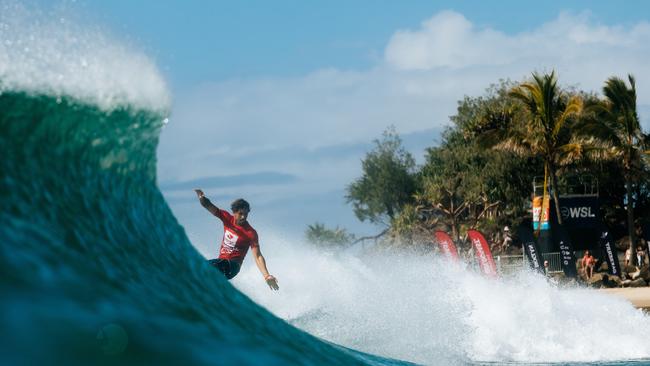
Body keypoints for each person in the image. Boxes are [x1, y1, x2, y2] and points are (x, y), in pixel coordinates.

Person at [194, 189, 279, 290]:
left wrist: (266, 275)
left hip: (233, 266)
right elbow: (208, 206)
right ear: (234, 212)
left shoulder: (251, 233)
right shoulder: (226, 218)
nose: (243, 217)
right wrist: (201, 197)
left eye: (246, 214)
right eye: (240, 213)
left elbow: (258, 256)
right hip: (221, 263)